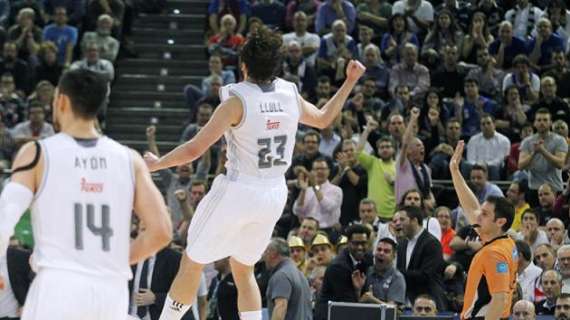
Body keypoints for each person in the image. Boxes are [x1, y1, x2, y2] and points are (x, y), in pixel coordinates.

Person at [145, 26, 366, 320]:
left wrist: (156, 163)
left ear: (243, 65)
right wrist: (350, 81)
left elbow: (194, 150)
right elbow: (325, 118)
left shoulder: (237, 101)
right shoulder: (289, 93)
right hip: (274, 193)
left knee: (192, 260)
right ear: (277, 65)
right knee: (244, 267)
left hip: (239, 188)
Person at [0, 69, 173, 319]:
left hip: (58, 284)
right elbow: (162, 231)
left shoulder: (37, 153)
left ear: (61, 101)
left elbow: (4, 222)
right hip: (111, 289)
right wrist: (118, 259)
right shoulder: (129, 160)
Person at [450, 140, 517, 320]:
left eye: (485, 213)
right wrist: (455, 171)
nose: (478, 215)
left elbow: (499, 299)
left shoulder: (494, 253)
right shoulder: (503, 239)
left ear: (500, 221)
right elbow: (471, 208)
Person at [263, 238, 312, 320]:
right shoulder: (300, 275)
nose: (264, 256)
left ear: (273, 253)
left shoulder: (281, 275)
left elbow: (281, 307)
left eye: (265, 252)